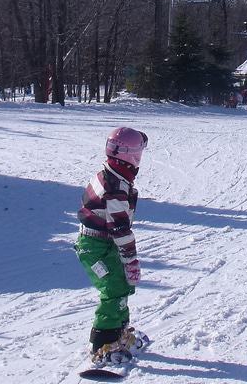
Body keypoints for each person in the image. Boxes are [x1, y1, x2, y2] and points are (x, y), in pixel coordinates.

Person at [75, 126, 149, 370]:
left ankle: (118, 333)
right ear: (132, 156)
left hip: (103, 243)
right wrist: (131, 259)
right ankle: (102, 344)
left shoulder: (113, 175)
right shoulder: (115, 187)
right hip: (95, 247)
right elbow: (119, 228)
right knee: (114, 287)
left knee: (122, 285)